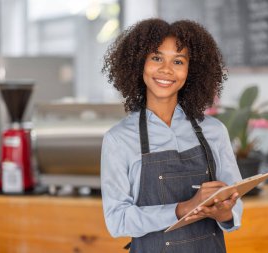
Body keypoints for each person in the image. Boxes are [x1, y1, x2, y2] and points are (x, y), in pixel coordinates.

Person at [101, 18, 243, 253]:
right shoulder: (118, 139)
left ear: (191, 70)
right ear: (140, 64)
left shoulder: (214, 131)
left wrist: (226, 213)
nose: (166, 69)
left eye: (178, 61)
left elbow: (235, 199)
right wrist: (183, 208)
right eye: (157, 58)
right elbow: (117, 221)